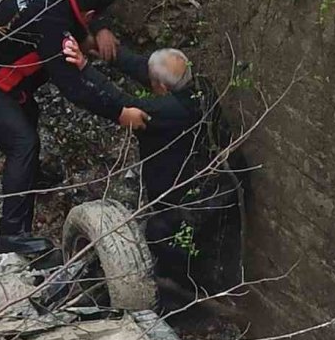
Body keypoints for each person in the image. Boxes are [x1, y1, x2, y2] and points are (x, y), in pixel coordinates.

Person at [0, 0, 147, 255]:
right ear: (88, 14)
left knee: (27, 110)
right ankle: (12, 235)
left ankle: (29, 176)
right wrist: (120, 112)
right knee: (22, 142)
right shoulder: (51, 24)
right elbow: (74, 87)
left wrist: (86, 35)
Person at [63, 38, 239, 286]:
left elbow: (122, 102)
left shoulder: (168, 111)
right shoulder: (201, 87)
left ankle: (182, 286)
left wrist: (84, 68)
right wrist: (110, 53)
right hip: (216, 181)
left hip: (194, 199)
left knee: (160, 233)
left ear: (162, 88)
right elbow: (145, 69)